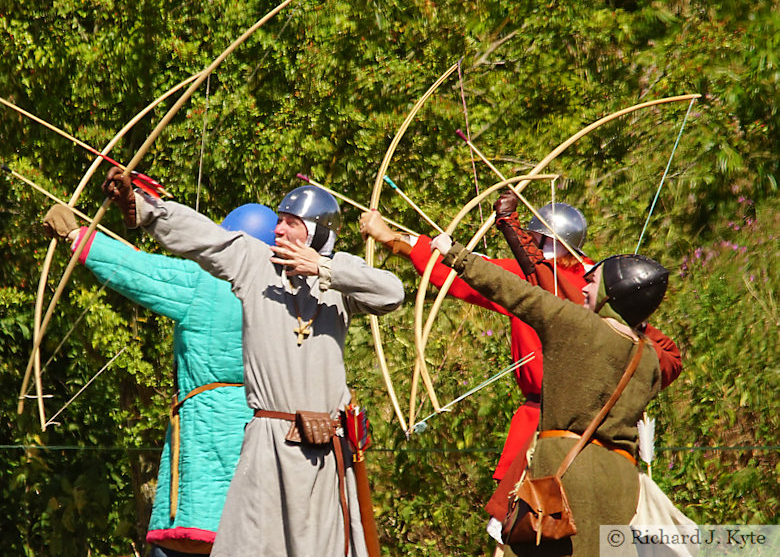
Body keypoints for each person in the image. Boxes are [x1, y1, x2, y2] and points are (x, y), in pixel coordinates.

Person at [102, 167, 405, 557]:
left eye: (290, 223)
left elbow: (392, 293)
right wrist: (142, 207)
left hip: (326, 453)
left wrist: (324, 269)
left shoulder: (340, 282)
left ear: (315, 232)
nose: (277, 230)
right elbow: (204, 238)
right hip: (268, 445)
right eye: (278, 221)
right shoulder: (254, 262)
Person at [359, 194, 681, 528]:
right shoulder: (619, 313)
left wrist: (391, 238)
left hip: (548, 440)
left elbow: (477, 272)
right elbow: (668, 356)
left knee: (517, 532)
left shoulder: (575, 297)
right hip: (613, 467)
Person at [43, 201, 277, 556]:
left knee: (192, 536)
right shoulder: (292, 295)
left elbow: (138, 271)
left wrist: (76, 235)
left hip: (205, 435)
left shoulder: (207, 284)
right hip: (267, 439)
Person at [429, 230, 670, 556]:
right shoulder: (650, 358)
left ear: (612, 294)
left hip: (566, 477)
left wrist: (454, 253)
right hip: (622, 484)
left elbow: (513, 291)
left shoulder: (574, 324)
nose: (584, 286)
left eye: (594, 281)